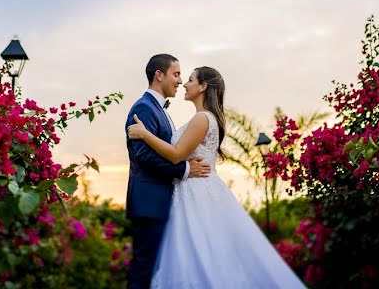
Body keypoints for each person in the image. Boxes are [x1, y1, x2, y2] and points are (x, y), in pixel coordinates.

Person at [127, 66, 307, 288]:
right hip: (191, 190)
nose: (185, 83)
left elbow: (176, 155)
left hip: (196, 192)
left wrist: (145, 134)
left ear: (203, 86)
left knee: (198, 253)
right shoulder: (202, 118)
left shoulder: (202, 118)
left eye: (190, 79)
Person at [125, 54, 212, 289]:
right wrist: (185, 169)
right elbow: (144, 155)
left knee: (156, 270)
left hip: (161, 202)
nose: (180, 80)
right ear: (159, 75)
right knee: (144, 269)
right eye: (176, 74)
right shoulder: (143, 108)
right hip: (149, 203)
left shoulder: (159, 110)